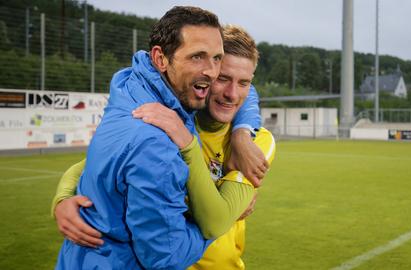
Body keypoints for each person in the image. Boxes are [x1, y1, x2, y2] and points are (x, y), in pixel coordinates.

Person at [53, 6, 266, 270]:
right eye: (222, 77)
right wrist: (62, 199)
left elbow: (214, 223)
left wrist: (241, 133)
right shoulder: (174, 118)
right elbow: (98, 163)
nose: (230, 91)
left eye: (243, 82)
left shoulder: (254, 141)